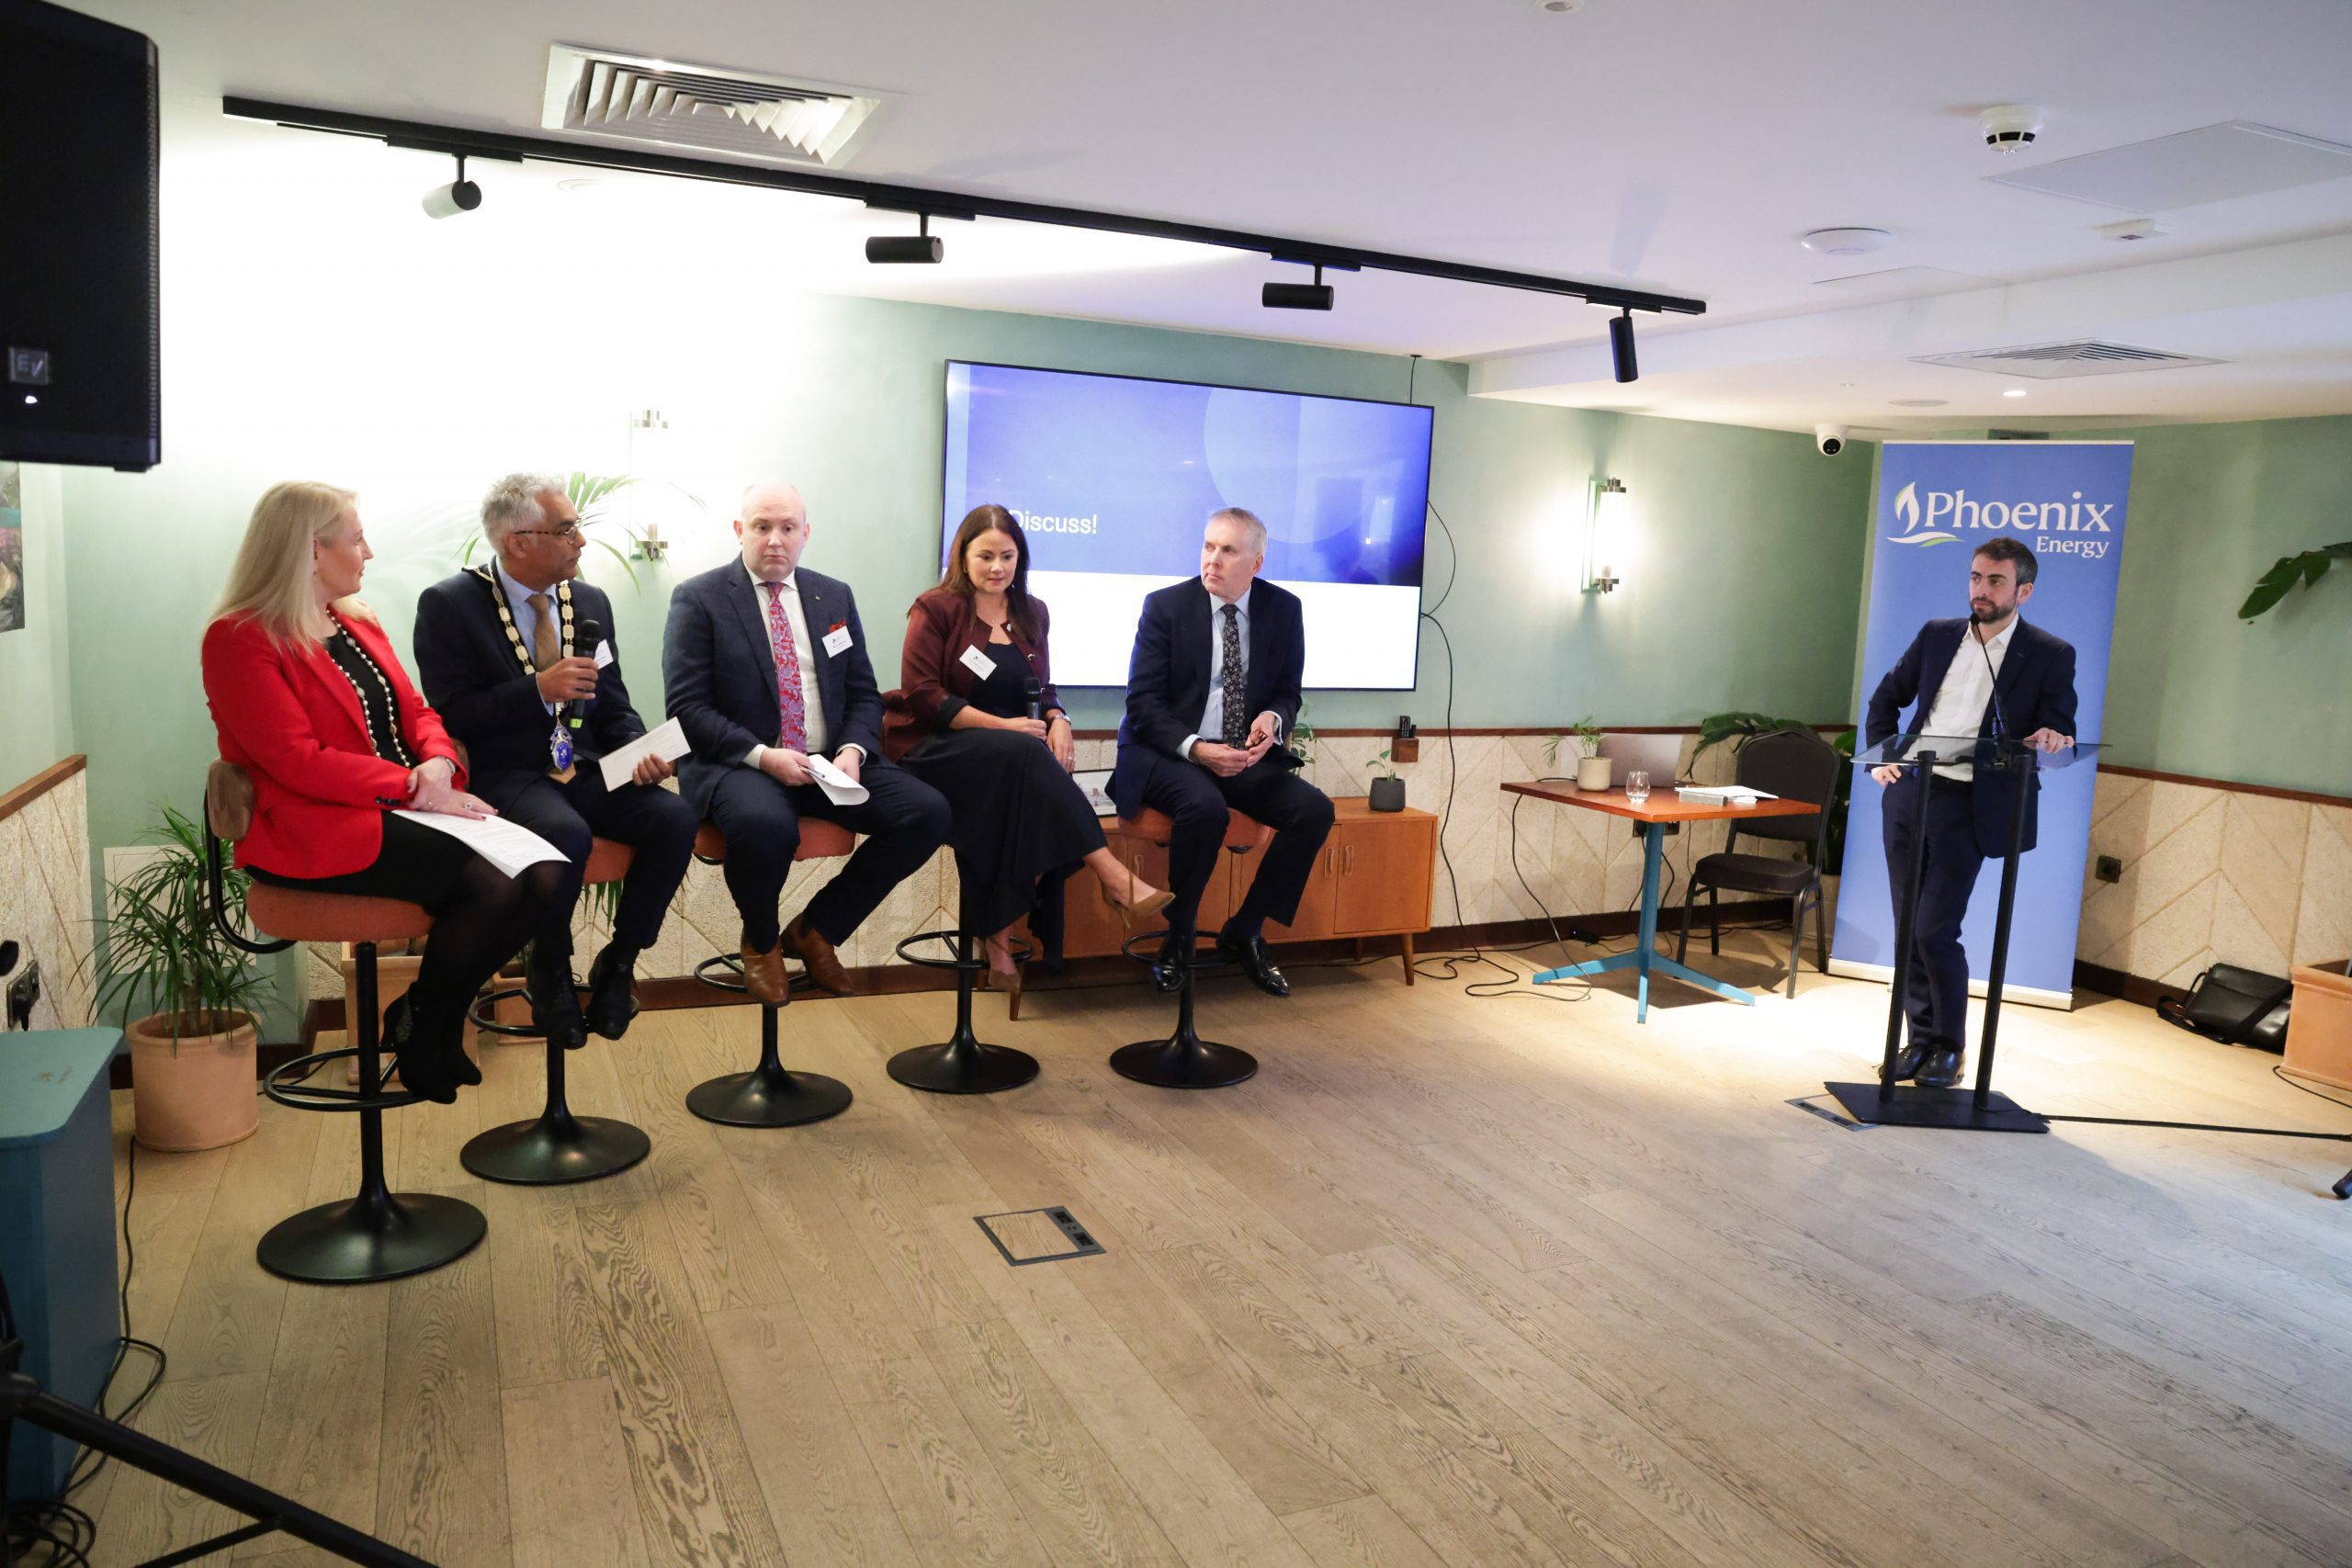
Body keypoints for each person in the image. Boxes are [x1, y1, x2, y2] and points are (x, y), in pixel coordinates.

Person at [200, 481, 570, 1103]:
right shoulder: (240, 638)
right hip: (315, 824)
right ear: (311, 551)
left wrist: (439, 764)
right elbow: (296, 761)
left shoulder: (357, 622)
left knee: (548, 873)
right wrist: (411, 784)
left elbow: (419, 711)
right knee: (496, 880)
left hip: (413, 804)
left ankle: (424, 1008)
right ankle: (429, 1034)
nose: (367, 552)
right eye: (356, 538)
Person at [413, 473, 697, 1045]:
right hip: (507, 775)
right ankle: (551, 964)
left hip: (585, 767)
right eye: (567, 530)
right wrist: (538, 689)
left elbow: (612, 702)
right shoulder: (451, 604)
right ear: (517, 541)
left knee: (674, 818)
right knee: (565, 833)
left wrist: (638, 748)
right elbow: (453, 716)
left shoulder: (589, 601)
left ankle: (619, 963)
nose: (581, 542)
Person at [662, 480, 952, 1005]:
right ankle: (762, 940)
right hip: (742, 765)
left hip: (826, 761)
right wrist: (764, 756)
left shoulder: (832, 595)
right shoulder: (699, 598)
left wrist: (852, 752)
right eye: (762, 526)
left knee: (927, 812)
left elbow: (864, 694)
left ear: (805, 534)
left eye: (787, 528)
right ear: (739, 531)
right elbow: (687, 710)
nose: (775, 539)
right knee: (764, 826)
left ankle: (817, 930)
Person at [883, 505, 1173, 998]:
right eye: (986, 556)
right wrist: (1007, 727)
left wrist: (1059, 719)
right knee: (1022, 758)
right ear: (963, 556)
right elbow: (922, 696)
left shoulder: (1032, 612)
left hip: (1009, 757)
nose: (998, 567)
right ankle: (1112, 875)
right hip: (933, 747)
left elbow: (1043, 687)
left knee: (1007, 797)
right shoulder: (935, 608)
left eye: (1008, 556)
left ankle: (996, 942)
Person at [1865, 536, 2076, 1089]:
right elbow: (1886, 700)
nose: (1981, 590)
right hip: (1911, 793)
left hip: (1971, 804)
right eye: (1976, 578)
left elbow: (2058, 726)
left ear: (2023, 591)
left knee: (1936, 929)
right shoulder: (1938, 635)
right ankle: (1918, 1038)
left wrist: (2052, 736)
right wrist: (1881, 758)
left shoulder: (2050, 653)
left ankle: (1949, 1048)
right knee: (1909, 925)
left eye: (1996, 581)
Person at [1111, 506, 1333, 997]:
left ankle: (1246, 929)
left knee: (1314, 809)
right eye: (1208, 546)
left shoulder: (1284, 609)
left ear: (1255, 562)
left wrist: (1272, 720)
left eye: (1228, 550)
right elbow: (1143, 705)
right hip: (1168, 753)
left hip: (1243, 755)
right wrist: (1198, 750)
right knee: (1204, 807)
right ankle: (1180, 934)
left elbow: (1287, 693)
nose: (1212, 560)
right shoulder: (1165, 607)